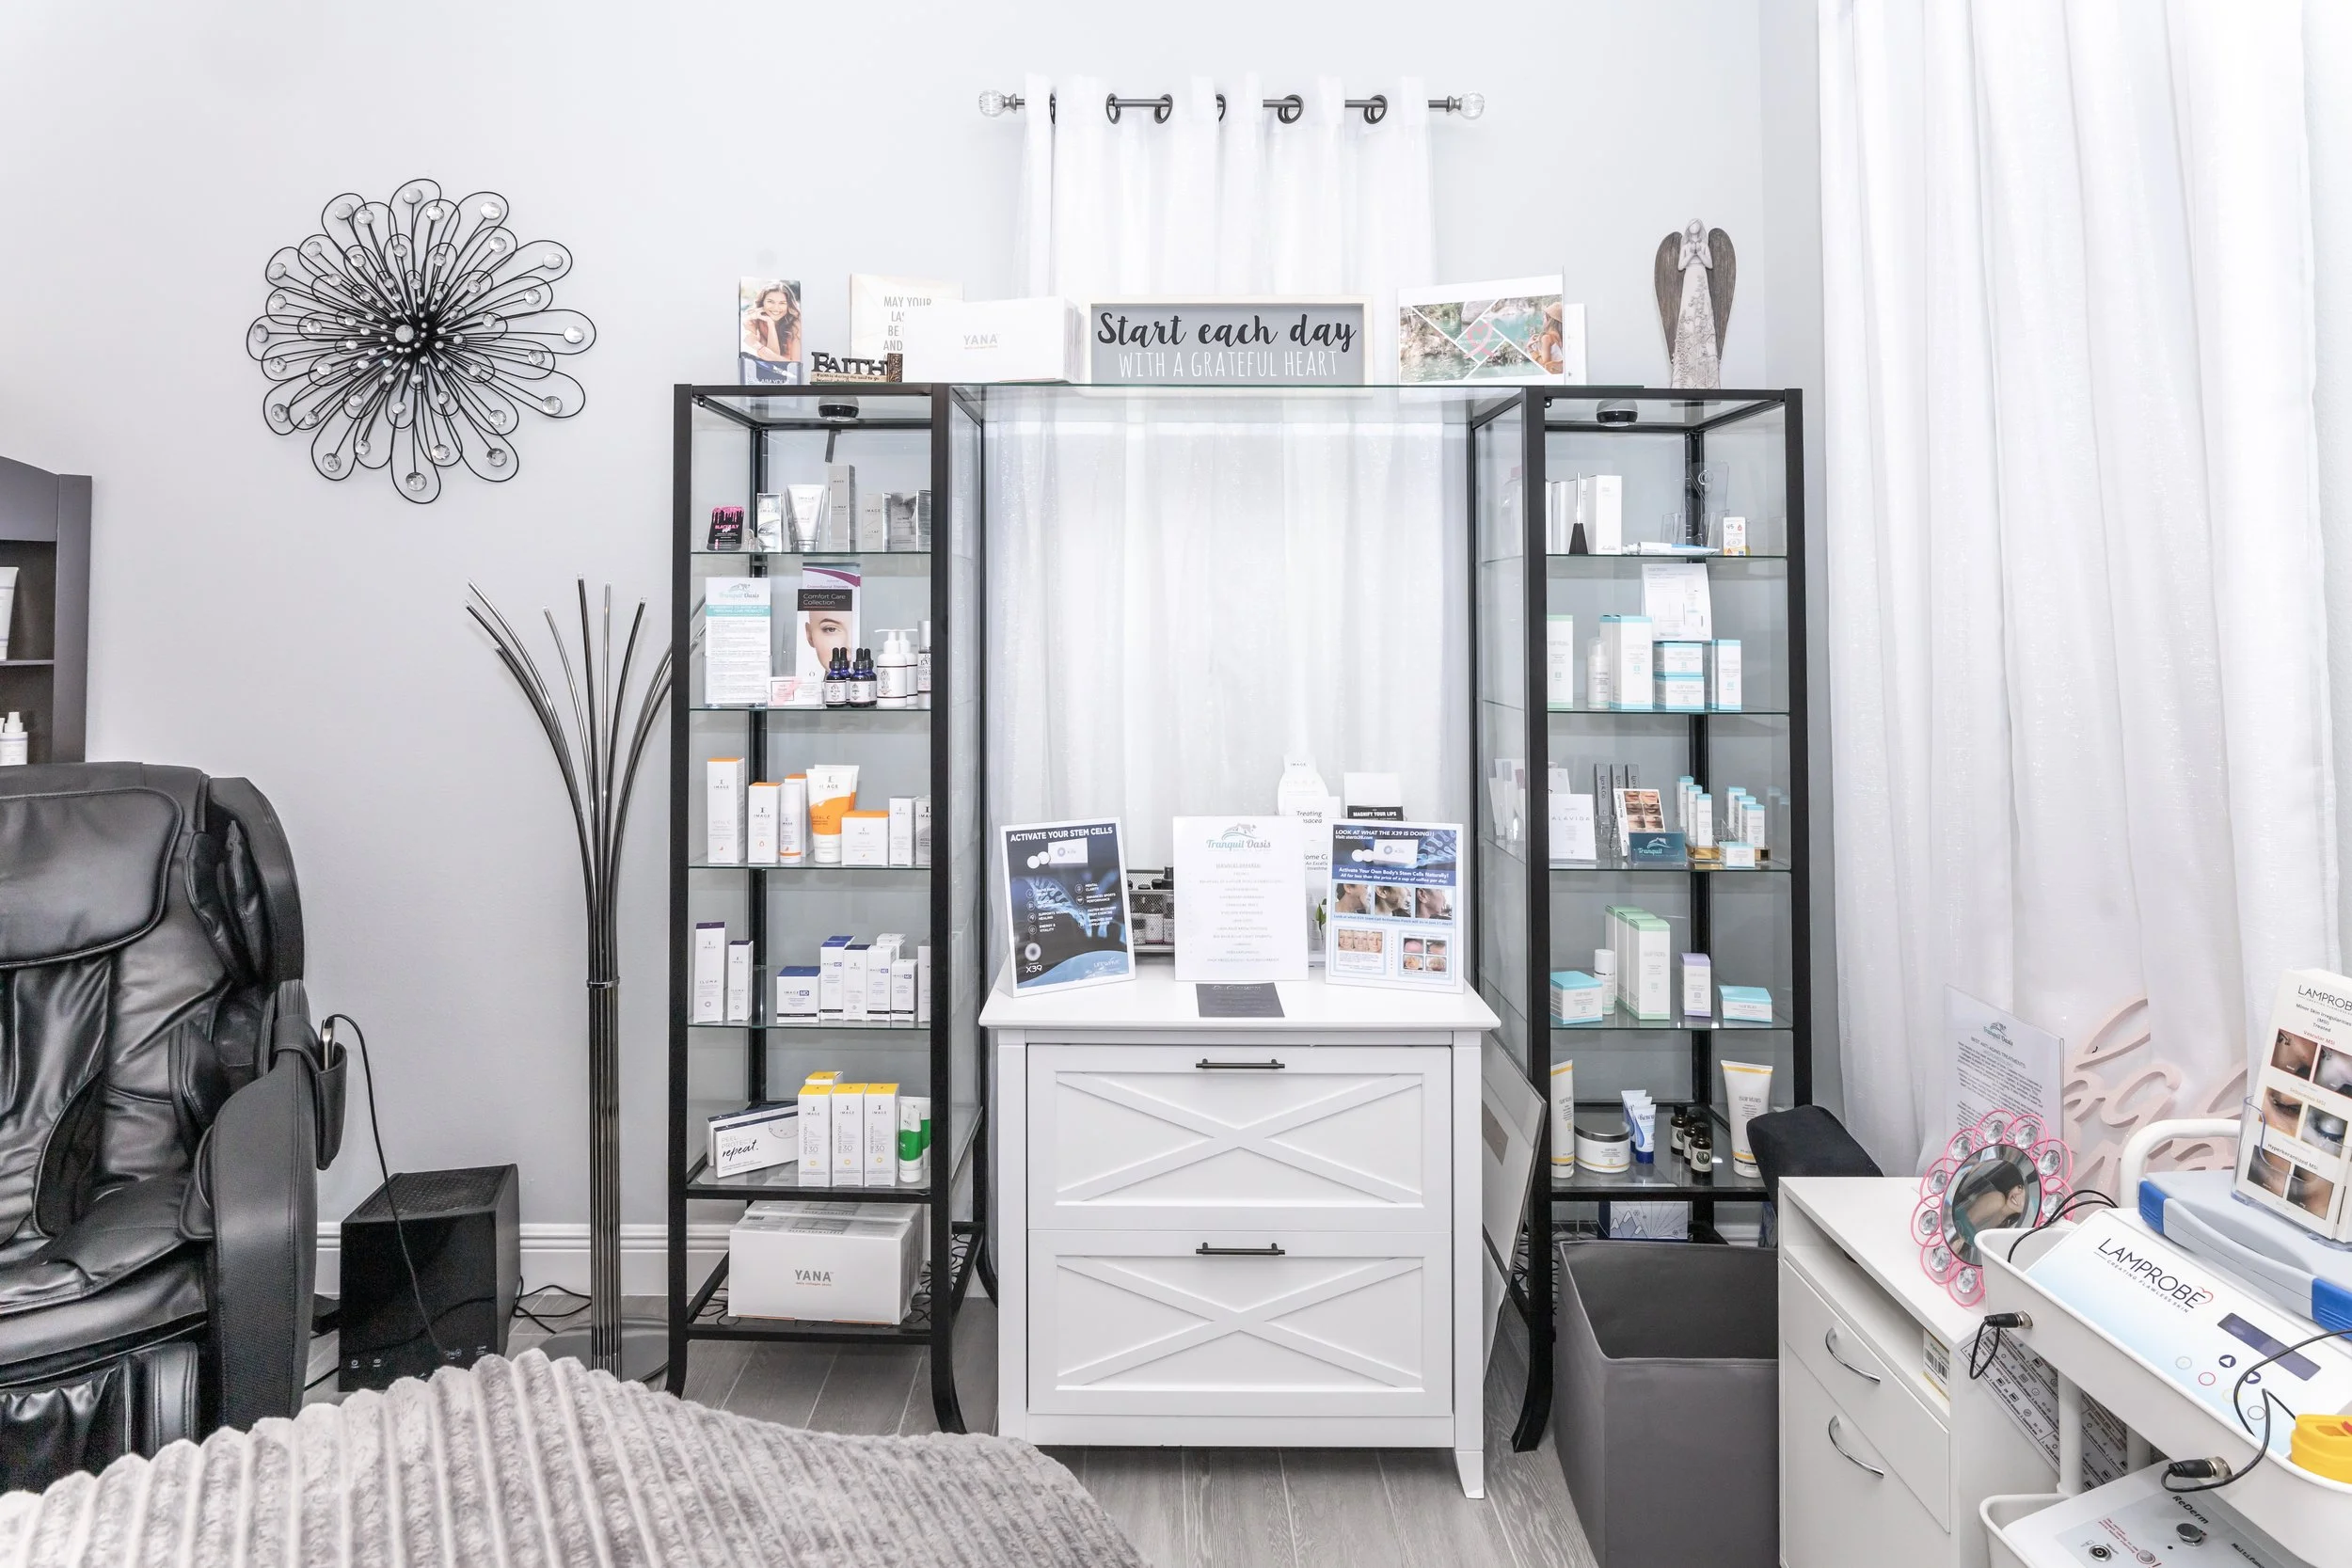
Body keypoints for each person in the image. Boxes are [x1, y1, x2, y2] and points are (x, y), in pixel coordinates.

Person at [1949, 1155, 2032, 1260]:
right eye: (2020, 1187)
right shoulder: (1998, 1200)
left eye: (2025, 1198)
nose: (2017, 1195)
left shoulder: (2009, 1225)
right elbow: (1961, 1225)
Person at [741, 282, 803, 382]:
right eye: (770, 301)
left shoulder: (796, 325)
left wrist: (762, 350)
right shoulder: (752, 321)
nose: (776, 308)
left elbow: (794, 367)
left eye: (782, 303)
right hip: (762, 379)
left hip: (789, 381)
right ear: (762, 303)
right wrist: (770, 324)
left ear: (788, 305)